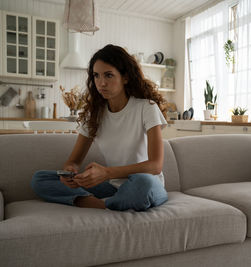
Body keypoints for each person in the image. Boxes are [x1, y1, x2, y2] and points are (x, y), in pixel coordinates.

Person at [31, 44, 168, 211]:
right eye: (96, 76)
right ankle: (101, 204)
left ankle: (104, 204)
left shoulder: (147, 107)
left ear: (125, 77)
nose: (101, 83)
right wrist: (70, 173)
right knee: (40, 179)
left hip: (148, 185)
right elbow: (74, 161)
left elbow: (155, 166)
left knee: (143, 183)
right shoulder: (94, 114)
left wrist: (107, 172)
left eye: (109, 75)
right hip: (112, 187)